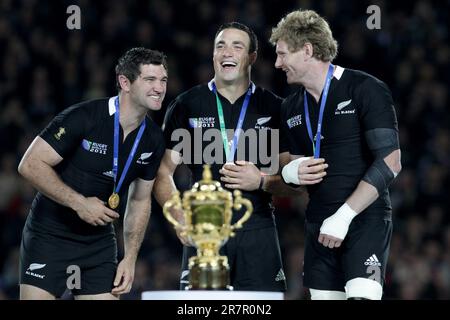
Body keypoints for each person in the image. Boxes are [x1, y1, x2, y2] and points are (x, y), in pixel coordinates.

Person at [270, 10, 402, 300]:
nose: (277, 64)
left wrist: (344, 216)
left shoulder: (364, 88)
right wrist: (292, 170)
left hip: (364, 220)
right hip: (318, 224)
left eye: (282, 54)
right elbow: (287, 164)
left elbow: (391, 162)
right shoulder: (291, 107)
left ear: (306, 50)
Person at [17, 48, 167, 299]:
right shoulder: (84, 117)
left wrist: (129, 258)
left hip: (98, 242)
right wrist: (79, 203)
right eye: (150, 80)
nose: (159, 88)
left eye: (163, 80)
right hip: (50, 234)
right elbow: (30, 164)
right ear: (124, 82)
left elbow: (139, 200)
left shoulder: (153, 138)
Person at [154, 22, 288, 291]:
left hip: (257, 228)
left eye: (237, 46)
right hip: (204, 230)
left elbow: (294, 183)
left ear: (251, 57)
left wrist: (261, 181)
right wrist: (182, 222)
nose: (227, 52)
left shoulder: (274, 108)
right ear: (213, 56)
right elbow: (162, 172)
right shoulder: (186, 105)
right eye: (220, 46)